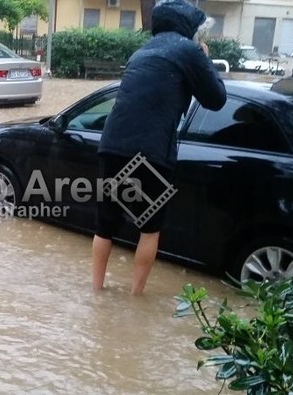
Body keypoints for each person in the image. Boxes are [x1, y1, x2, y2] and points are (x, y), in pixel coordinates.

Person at [92, 0, 227, 295]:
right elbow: (217, 99)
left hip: (111, 145)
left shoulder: (141, 52)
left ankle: (96, 290)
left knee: (105, 225)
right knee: (149, 227)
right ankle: (136, 296)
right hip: (151, 151)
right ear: (189, 28)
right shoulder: (189, 50)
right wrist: (205, 59)